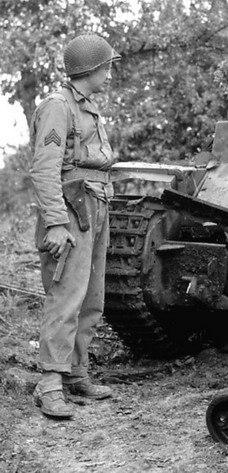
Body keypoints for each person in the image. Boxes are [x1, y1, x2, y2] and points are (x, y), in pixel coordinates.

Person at [29, 33, 121, 419]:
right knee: (66, 295)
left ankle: (75, 373)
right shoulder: (57, 106)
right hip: (69, 210)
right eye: (107, 67)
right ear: (90, 69)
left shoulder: (87, 108)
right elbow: (44, 168)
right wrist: (54, 223)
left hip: (95, 205)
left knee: (91, 297)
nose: (110, 74)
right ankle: (49, 382)